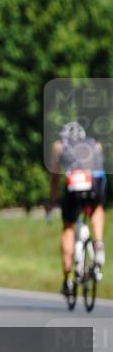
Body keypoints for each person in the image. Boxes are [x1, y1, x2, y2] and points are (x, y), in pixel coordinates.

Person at [49, 121, 106, 295]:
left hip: (74, 184)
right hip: (95, 181)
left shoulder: (59, 145)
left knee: (68, 227)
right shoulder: (95, 144)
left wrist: (52, 199)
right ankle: (98, 243)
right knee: (96, 208)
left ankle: (67, 277)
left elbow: (55, 176)